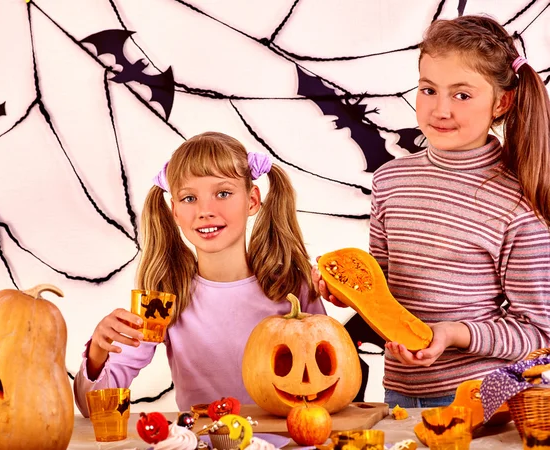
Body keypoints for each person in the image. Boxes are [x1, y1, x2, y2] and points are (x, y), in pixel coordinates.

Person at [314, 15, 550, 408]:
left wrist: (453, 333)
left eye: (462, 95)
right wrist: (347, 292)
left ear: (502, 102)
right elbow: (382, 288)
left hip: (484, 399)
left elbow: (540, 333)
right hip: (399, 392)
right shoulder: (390, 181)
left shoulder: (517, 202)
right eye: (428, 90)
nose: (440, 110)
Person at [74, 131, 325, 415]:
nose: (205, 210)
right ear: (174, 212)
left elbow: (331, 374)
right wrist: (97, 352)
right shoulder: (163, 301)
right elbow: (93, 409)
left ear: (252, 200)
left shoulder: (292, 287)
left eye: (223, 193)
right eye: (189, 198)